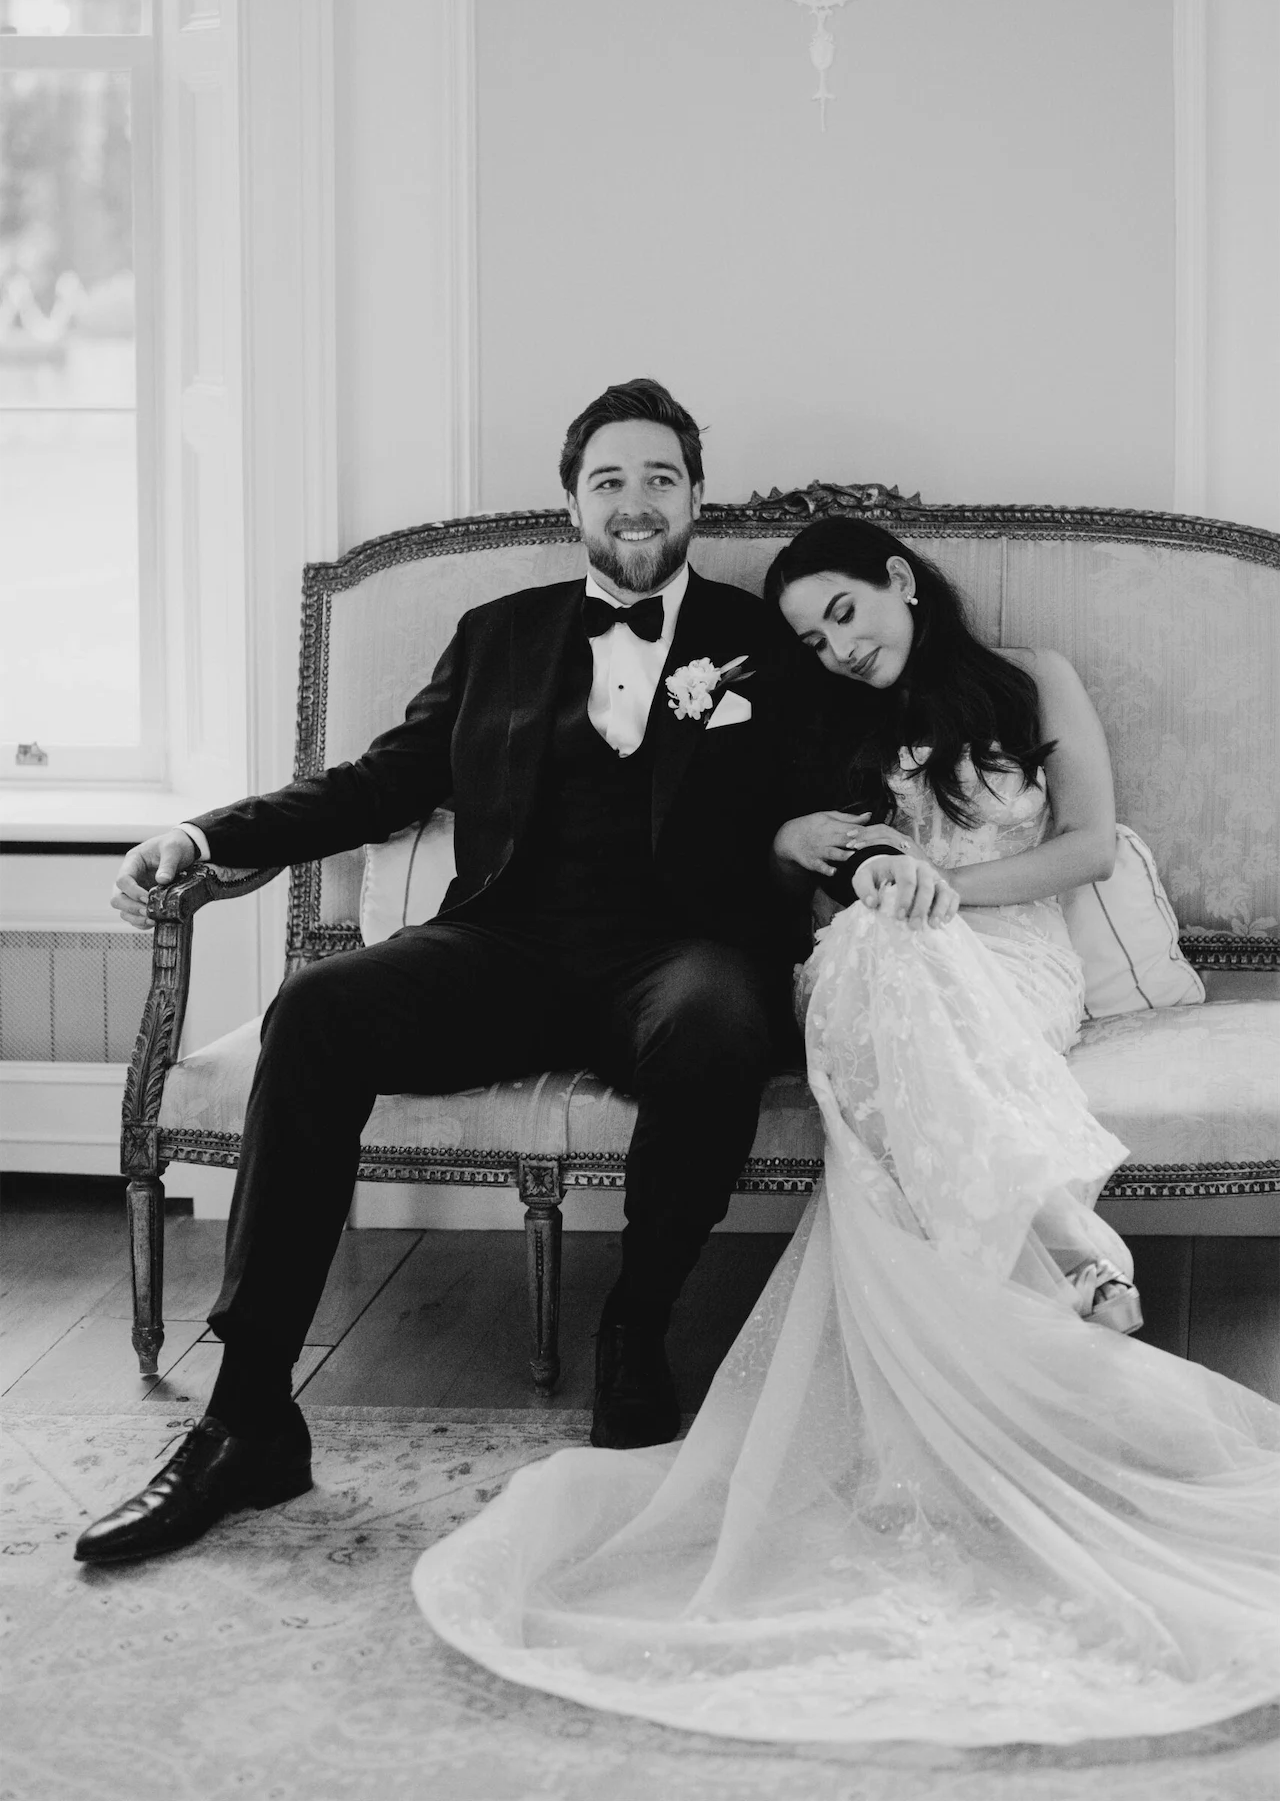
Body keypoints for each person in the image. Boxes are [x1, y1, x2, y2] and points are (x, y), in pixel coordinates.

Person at [412, 515, 1280, 1748]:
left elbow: (1086, 844)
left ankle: (1041, 1248)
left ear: (898, 580)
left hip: (1009, 957)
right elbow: (760, 865)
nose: (836, 648)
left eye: (843, 613)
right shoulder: (816, 719)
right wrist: (791, 847)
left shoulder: (1033, 679)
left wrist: (940, 887)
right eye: (810, 638)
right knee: (875, 946)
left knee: (901, 951)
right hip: (871, 960)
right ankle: (1058, 1234)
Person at [77, 384, 941, 1568]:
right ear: (572, 502)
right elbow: (378, 784)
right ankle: (250, 1414)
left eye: (659, 479)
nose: (634, 502)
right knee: (316, 1007)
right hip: (507, 945)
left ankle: (635, 1329)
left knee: (714, 1017)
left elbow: (831, 792)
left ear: (695, 497)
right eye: (608, 480)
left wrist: (869, 855)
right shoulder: (496, 633)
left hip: (678, 952)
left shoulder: (761, 645)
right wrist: (203, 835)